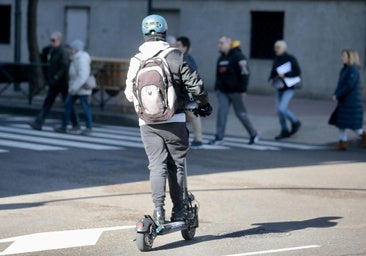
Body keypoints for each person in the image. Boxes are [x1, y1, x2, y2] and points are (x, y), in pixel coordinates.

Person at [124, 14, 211, 225]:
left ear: (144, 33)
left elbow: (129, 93)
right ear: (164, 31)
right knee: (177, 165)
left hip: (147, 122)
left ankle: (158, 210)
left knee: (156, 166)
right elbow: (195, 85)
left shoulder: (137, 59)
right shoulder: (176, 55)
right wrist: (203, 104)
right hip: (175, 118)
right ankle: (179, 211)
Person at [210, 36, 259, 145]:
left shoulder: (238, 56)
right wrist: (217, 87)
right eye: (219, 43)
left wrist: (242, 89)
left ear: (229, 43)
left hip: (236, 91)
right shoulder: (221, 58)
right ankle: (219, 137)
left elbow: (245, 73)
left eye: (221, 43)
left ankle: (254, 133)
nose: (219, 45)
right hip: (223, 91)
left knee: (241, 114)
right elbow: (218, 75)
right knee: (222, 113)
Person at [28, 32, 79, 131]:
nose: (51, 42)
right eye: (51, 40)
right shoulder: (53, 50)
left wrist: (56, 77)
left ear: (59, 40)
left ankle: (75, 123)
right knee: (48, 102)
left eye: (53, 40)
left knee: (67, 103)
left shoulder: (62, 51)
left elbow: (64, 66)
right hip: (55, 82)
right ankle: (38, 122)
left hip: (62, 82)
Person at [328, 49, 366, 150]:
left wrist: (338, 95)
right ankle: (342, 143)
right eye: (342, 56)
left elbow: (349, 86)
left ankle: (364, 136)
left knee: (355, 127)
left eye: (344, 56)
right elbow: (340, 84)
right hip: (345, 101)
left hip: (351, 102)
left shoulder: (353, 70)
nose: (342, 58)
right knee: (341, 123)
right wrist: (336, 94)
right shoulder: (345, 69)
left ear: (350, 58)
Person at [54, 40, 93, 135]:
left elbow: (82, 76)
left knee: (84, 107)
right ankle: (65, 126)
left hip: (81, 88)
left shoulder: (81, 59)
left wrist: (73, 88)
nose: (69, 50)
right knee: (68, 105)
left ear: (75, 49)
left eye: (71, 48)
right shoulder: (76, 58)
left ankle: (88, 128)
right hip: (76, 88)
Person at [268, 40, 301, 140]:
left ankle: (295, 122)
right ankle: (284, 130)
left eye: (278, 47)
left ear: (284, 48)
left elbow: (297, 71)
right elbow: (273, 72)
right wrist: (271, 79)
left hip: (288, 88)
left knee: (282, 108)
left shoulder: (290, 59)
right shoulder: (276, 60)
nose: (276, 49)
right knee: (279, 110)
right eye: (275, 47)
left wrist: (285, 75)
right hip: (279, 87)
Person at [176, 36, 203, 148]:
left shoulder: (186, 60)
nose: (176, 47)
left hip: (188, 93)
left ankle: (198, 139)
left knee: (192, 115)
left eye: (178, 45)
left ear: (185, 47)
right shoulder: (185, 58)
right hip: (187, 92)